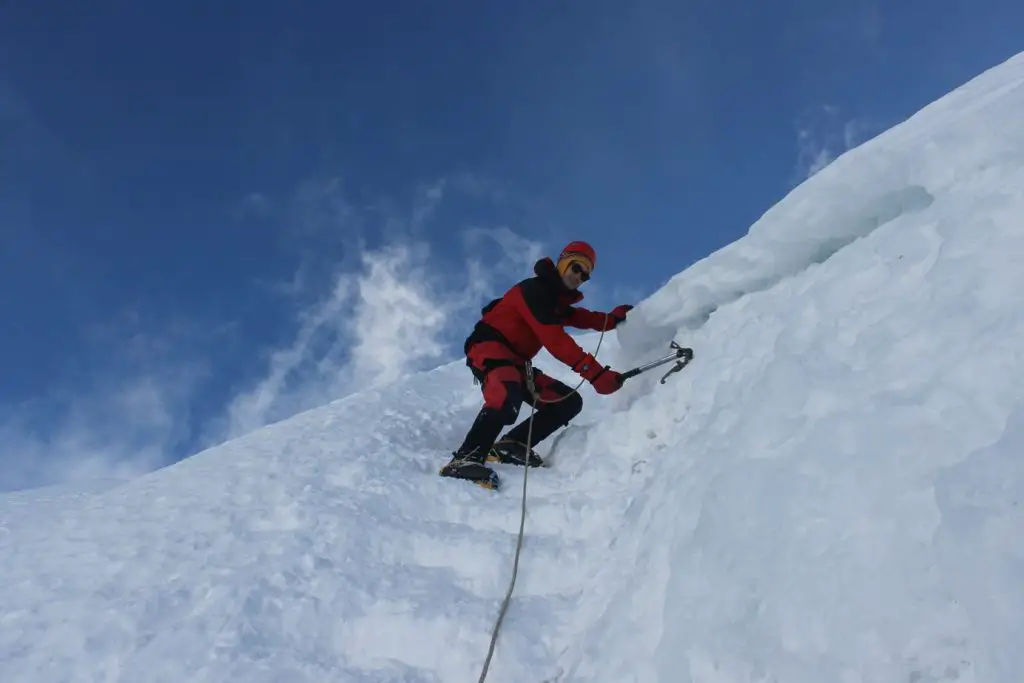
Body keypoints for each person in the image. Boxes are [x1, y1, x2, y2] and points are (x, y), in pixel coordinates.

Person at [440, 240, 633, 488]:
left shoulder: (557, 304)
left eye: (585, 276)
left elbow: (588, 319)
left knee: (568, 401)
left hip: (518, 363)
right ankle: (465, 459)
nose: (579, 277)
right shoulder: (533, 291)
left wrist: (614, 319)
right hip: (488, 347)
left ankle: (513, 445)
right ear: (563, 262)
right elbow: (555, 340)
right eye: (577, 268)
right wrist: (595, 375)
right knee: (506, 391)